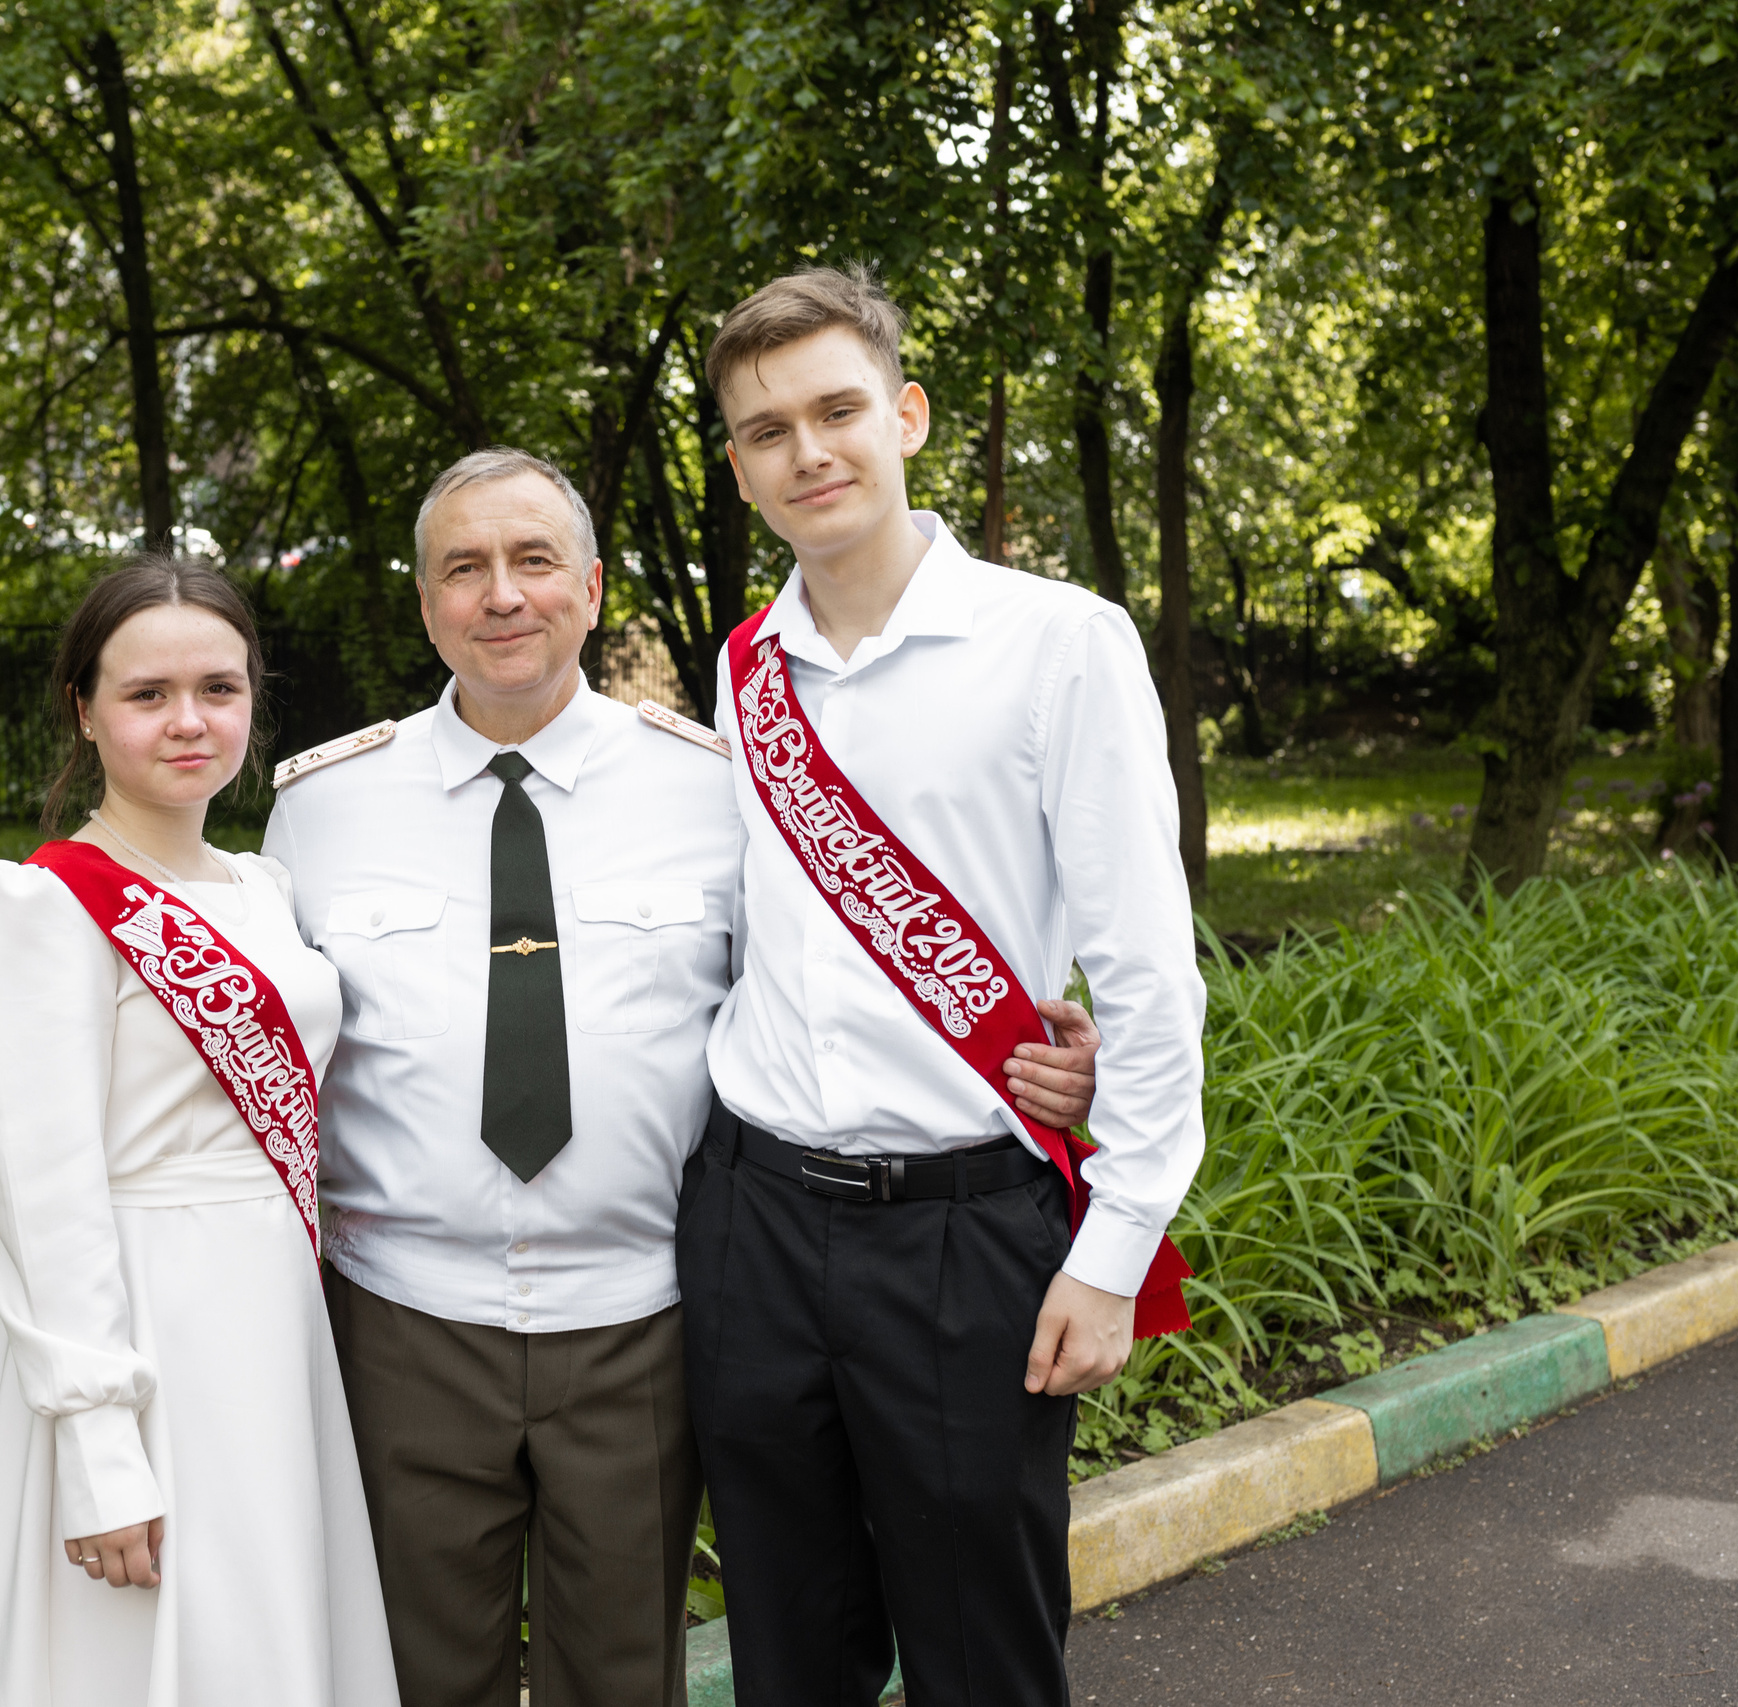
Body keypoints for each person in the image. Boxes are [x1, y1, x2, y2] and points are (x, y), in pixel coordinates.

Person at [262, 448, 1108, 1707]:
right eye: (464, 568)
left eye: (534, 561)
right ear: (426, 601)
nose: (502, 595)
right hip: (405, 1319)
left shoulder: (716, 785)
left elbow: (826, 989)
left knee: (626, 1679)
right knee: (420, 1676)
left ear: (593, 589)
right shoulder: (322, 808)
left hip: (642, 1320)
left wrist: (1030, 1057)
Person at [679, 265, 1205, 1706]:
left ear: (905, 413)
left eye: (840, 409)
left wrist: (1114, 1245)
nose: (811, 450)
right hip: (754, 1221)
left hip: (966, 1233)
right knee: (790, 1654)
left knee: (985, 1656)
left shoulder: (1059, 641)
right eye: (768, 429)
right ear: (737, 466)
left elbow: (1150, 966)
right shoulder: (745, 674)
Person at [0, 557, 399, 1707]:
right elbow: (44, 1193)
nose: (189, 721)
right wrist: (96, 1442)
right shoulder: (43, 905)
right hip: (140, 1330)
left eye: (220, 688)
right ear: (84, 711)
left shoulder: (261, 890)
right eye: (147, 695)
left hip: (275, 1326)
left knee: (267, 1637)